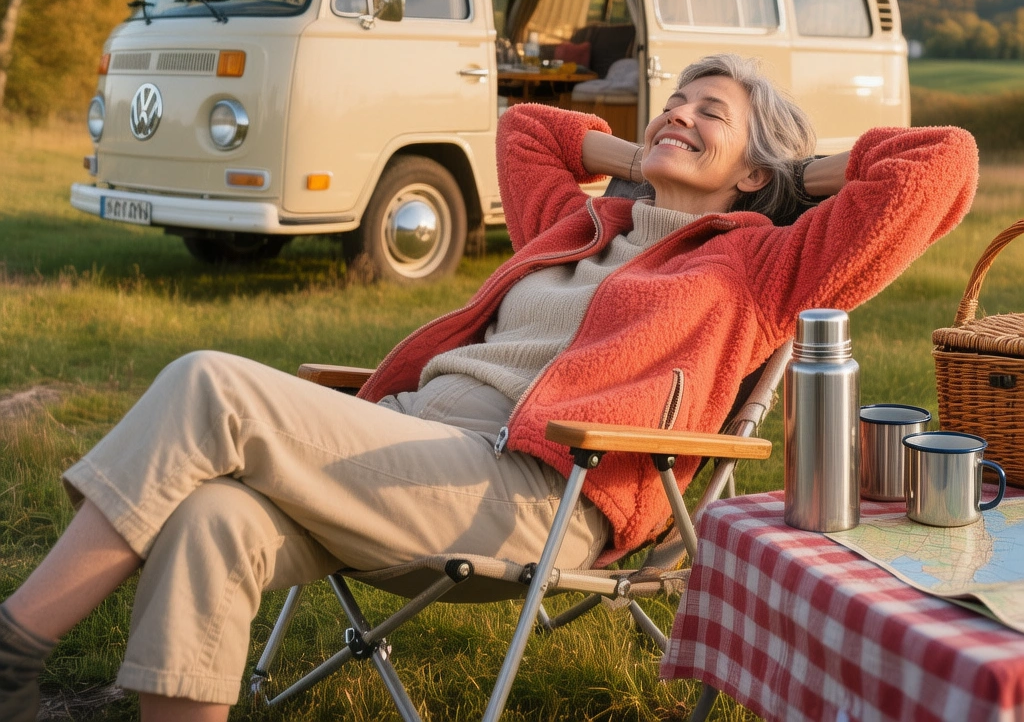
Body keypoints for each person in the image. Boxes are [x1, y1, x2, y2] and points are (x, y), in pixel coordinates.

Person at [0, 55, 978, 722]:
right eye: (672, 102)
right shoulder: (579, 224)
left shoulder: (762, 263)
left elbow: (939, 165)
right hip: (404, 448)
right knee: (213, 515)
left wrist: (793, 173)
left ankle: (11, 650)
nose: (677, 113)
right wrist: (652, 153)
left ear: (755, 167)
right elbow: (529, 128)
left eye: (707, 112)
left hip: (534, 491)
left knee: (209, 381)